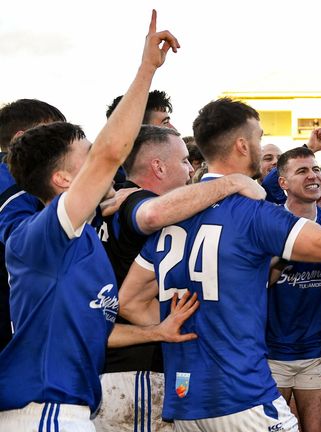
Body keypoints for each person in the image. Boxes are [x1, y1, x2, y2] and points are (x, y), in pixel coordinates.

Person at [0, 11, 197, 431]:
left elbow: (96, 328)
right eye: (87, 158)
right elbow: (112, 152)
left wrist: (156, 332)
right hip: (44, 411)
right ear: (63, 180)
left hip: (69, 411)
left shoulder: (84, 239)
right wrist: (147, 69)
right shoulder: (39, 236)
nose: (104, 165)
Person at [118, 97, 321, 432]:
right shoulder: (252, 214)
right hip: (242, 396)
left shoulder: (174, 219)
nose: (261, 148)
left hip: (187, 403)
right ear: (242, 144)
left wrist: (180, 330)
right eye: (259, 138)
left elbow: (129, 301)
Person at [96, 125, 268, 432]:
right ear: (158, 166)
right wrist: (232, 181)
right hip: (139, 371)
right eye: (185, 161)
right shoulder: (140, 201)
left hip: (118, 368)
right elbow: (150, 216)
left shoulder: (118, 200)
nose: (192, 169)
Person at [266, 146, 321, 432]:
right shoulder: (268, 221)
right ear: (282, 183)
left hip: (318, 352)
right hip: (270, 353)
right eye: (302, 171)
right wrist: (289, 249)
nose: (313, 176)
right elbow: (261, 281)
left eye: (316, 169)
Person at [0, 98, 66, 351]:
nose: (64, 144)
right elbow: (24, 239)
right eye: (55, 134)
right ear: (22, 138)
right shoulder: (12, 180)